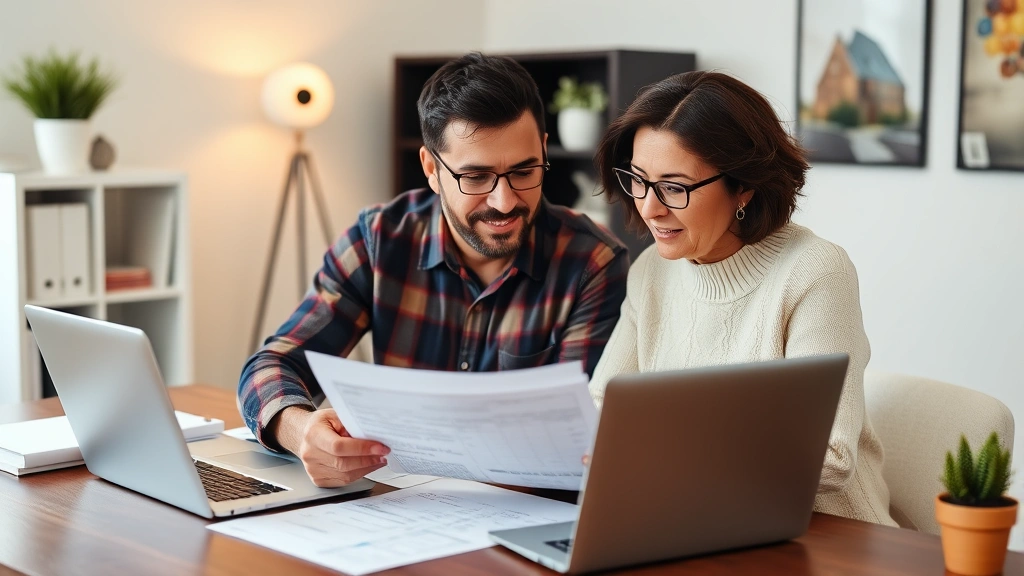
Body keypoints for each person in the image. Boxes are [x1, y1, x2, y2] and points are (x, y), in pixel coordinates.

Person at [238, 53, 629, 487]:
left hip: (522, 519)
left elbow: (571, 440)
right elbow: (271, 365)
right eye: (476, 177)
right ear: (431, 169)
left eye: (524, 171)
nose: (504, 201)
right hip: (396, 508)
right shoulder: (380, 239)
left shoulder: (592, 263)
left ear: (542, 147)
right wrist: (301, 432)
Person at [588, 70, 897, 527]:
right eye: (637, 179)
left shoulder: (814, 272)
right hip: (694, 519)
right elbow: (601, 410)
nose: (648, 207)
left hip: (826, 535)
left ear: (744, 187)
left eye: (674, 187)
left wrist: (654, 446)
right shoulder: (652, 270)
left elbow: (827, 457)